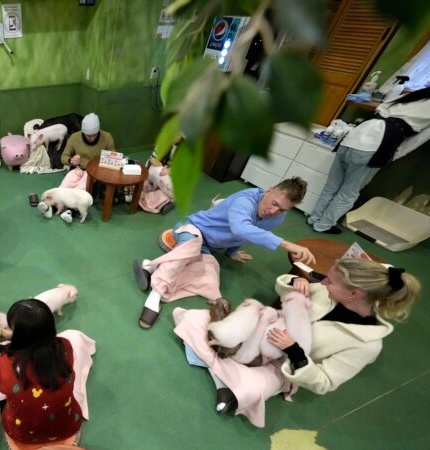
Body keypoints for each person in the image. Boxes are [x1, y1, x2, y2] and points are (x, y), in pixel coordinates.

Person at [171, 259, 420, 427]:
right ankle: (225, 378)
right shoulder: (327, 292)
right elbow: (286, 296)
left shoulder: (367, 344)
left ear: (353, 294)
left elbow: (324, 382)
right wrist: (293, 284)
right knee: (195, 317)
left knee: (250, 389)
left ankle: (221, 370)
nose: (322, 283)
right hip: (263, 331)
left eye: (330, 281)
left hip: (285, 367)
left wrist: (294, 351)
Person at [133, 177, 316, 329]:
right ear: (268, 191)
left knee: (211, 284)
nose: (274, 211)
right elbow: (240, 228)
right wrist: (286, 244)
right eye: (274, 203)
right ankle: (155, 296)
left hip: (208, 247)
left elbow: (247, 234)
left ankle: (151, 267)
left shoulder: (278, 217)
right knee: (191, 247)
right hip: (192, 229)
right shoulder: (245, 200)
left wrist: (232, 251)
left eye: (282, 209)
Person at [308, 87, 430, 234]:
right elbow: (418, 139)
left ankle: (314, 219)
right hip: (374, 146)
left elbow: (381, 107)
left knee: (331, 186)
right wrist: (395, 154)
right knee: (348, 193)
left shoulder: (412, 95)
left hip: (353, 137)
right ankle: (323, 226)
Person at [0, 299, 84, 448]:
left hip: (23, 433)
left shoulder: (3, 364)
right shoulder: (64, 346)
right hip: (66, 425)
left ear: (18, 335)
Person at [37, 113, 116, 223]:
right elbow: (63, 157)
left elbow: (113, 156)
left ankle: (69, 211)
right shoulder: (75, 137)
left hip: (94, 171)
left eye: (95, 135)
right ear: (83, 131)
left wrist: (109, 161)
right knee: (63, 188)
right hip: (77, 168)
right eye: (89, 136)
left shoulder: (107, 137)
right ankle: (49, 207)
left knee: (79, 190)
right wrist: (71, 160)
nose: (92, 138)